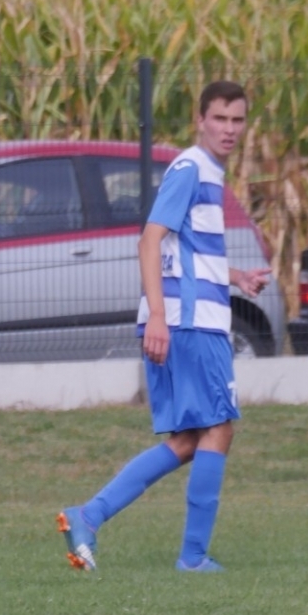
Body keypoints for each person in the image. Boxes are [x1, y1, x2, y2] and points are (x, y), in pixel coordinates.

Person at [56, 80, 272, 573]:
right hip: (188, 324)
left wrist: (235, 277)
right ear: (201, 120)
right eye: (220, 118)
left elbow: (185, 252)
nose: (229, 129)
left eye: (238, 120)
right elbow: (149, 241)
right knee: (218, 429)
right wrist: (158, 315)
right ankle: (192, 558)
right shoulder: (191, 168)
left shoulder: (207, 174)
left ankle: (88, 515)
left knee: (191, 439)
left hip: (193, 319)